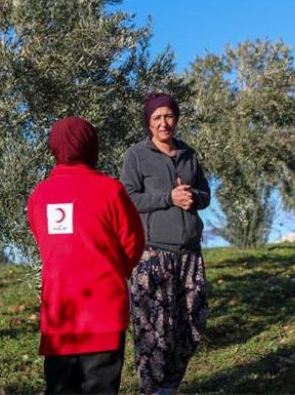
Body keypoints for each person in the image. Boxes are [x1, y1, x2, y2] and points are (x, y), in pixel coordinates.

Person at [28, 116, 145, 394]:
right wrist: (115, 270)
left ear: (54, 147)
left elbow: (42, 242)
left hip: (60, 314)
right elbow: (133, 243)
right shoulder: (111, 190)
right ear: (92, 145)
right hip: (104, 311)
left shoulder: (40, 195)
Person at [120, 93, 211, 395]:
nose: (164, 123)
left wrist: (192, 198)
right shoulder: (137, 155)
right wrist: (167, 198)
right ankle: (152, 388)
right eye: (157, 117)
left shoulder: (187, 153)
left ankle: (169, 386)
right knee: (154, 330)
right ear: (148, 122)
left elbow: (205, 194)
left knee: (192, 323)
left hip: (189, 255)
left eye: (169, 116)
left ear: (176, 119)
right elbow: (129, 199)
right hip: (152, 254)